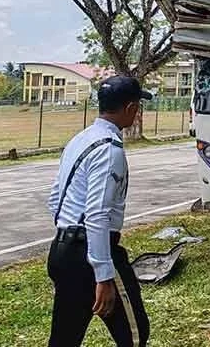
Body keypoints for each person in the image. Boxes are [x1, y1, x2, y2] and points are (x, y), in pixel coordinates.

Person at [46, 75, 153, 347]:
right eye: (138, 106)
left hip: (62, 250)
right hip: (92, 255)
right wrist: (103, 275)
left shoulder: (80, 139)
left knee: (64, 338)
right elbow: (97, 214)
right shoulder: (109, 149)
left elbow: (55, 197)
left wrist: (67, 237)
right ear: (130, 108)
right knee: (135, 334)